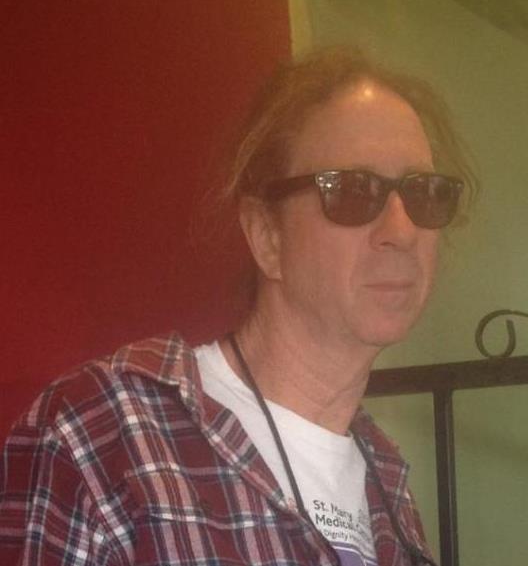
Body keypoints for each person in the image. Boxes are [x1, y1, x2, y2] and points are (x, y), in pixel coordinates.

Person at [0, 47, 473, 565]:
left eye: (424, 193)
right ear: (267, 234)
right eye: (354, 190)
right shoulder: (102, 436)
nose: (402, 231)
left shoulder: (387, 480)